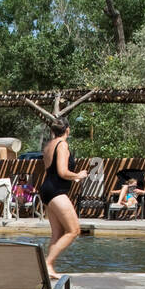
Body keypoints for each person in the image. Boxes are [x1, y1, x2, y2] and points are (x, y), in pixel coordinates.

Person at [39, 119, 87, 278]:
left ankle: (48, 268)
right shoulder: (62, 145)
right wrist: (78, 175)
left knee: (57, 233)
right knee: (74, 230)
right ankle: (47, 263)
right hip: (56, 191)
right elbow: (62, 171)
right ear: (68, 129)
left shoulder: (48, 145)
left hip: (47, 189)